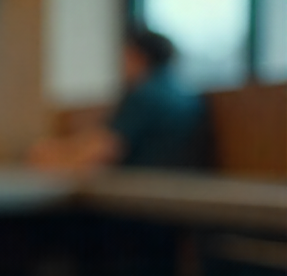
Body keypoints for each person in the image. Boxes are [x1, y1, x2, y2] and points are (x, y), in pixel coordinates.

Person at [30, 29, 209, 170]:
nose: (120, 64)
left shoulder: (146, 94)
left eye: (124, 56)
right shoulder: (181, 91)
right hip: (183, 178)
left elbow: (104, 150)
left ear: (137, 57)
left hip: (150, 185)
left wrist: (53, 160)